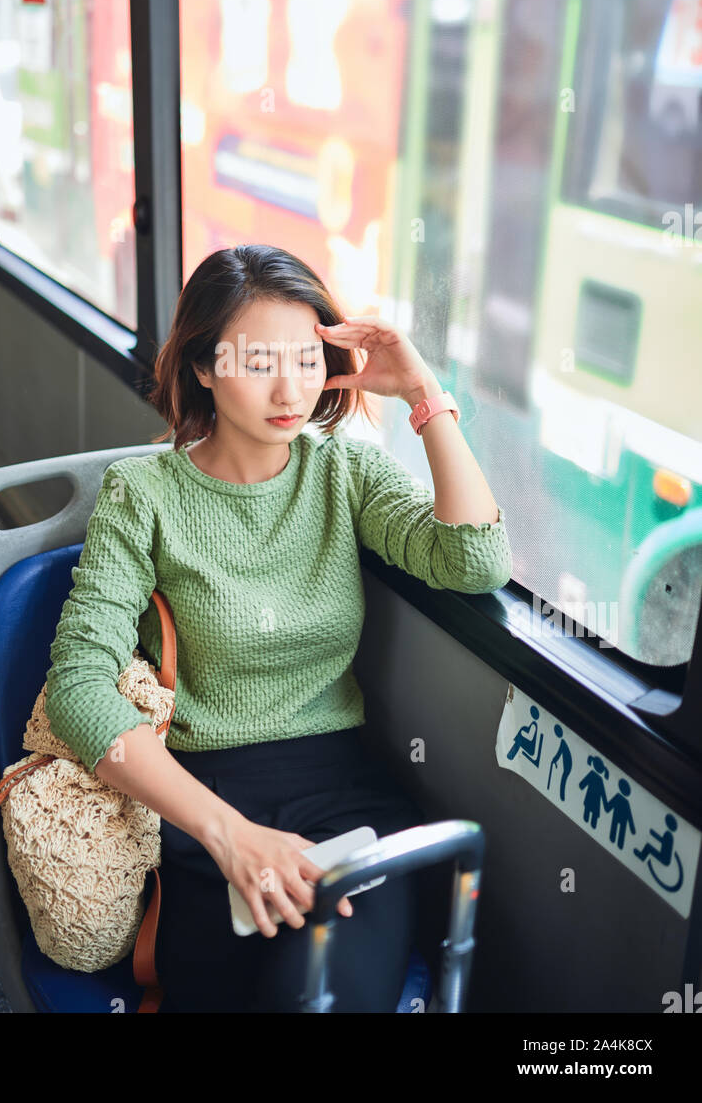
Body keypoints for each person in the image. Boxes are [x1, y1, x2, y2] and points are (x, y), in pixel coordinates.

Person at [45, 243, 512, 1012]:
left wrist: (423, 394)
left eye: (305, 358)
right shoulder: (143, 494)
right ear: (202, 368)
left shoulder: (342, 472)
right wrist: (229, 836)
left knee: (323, 997)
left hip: (341, 799)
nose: (290, 387)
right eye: (259, 361)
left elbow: (475, 559)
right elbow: (79, 688)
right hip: (198, 803)